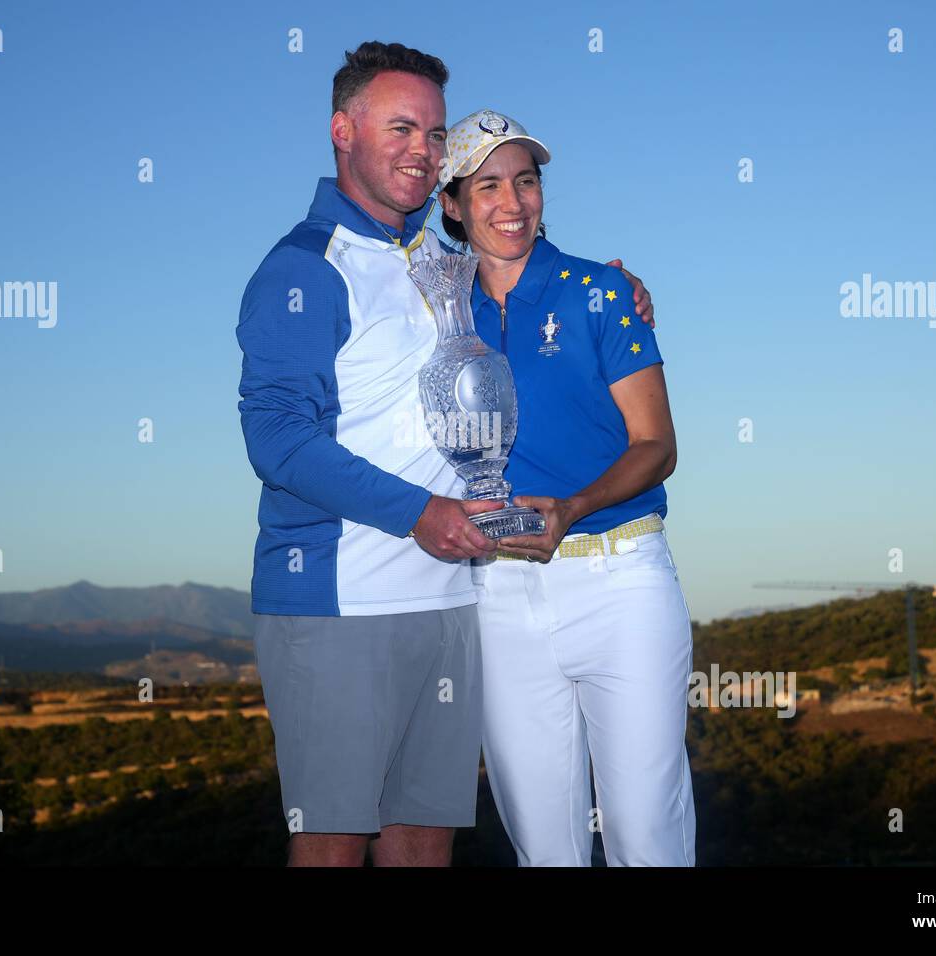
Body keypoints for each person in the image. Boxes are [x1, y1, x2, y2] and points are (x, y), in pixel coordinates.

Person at [236, 43, 656, 867]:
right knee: (329, 847)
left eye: (434, 134)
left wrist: (611, 285)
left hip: (455, 604)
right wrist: (418, 514)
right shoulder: (301, 269)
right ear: (341, 130)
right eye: (401, 128)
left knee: (424, 846)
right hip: (337, 604)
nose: (422, 151)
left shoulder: (438, 259)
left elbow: (518, 256)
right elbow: (277, 438)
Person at [437, 109, 696, 866]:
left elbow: (658, 445)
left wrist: (576, 506)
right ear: (452, 204)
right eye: (487, 186)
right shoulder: (434, 308)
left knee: (646, 834)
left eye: (525, 181)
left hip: (622, 583)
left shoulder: (602, 292)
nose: (512, 203)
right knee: (544, 848)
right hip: (497, 598)